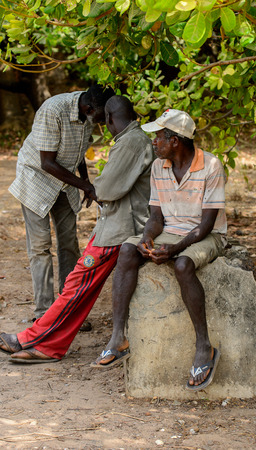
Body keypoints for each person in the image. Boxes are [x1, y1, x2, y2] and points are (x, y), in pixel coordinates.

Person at [0, 95, 154, 363]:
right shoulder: (131, 138)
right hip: (43, 187)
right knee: (67, 274)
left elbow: (105, 190)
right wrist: (88, 185)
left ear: (107, 119)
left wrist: (90, 185)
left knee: (76, 284)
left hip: (119, 230)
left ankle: (31, 339)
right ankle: (48, 341)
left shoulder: (130, 143)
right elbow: (49, 163)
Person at [93, 109, 227, 391]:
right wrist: (147, 238)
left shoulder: (211, 166)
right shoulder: (159, 167)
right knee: (128, 251)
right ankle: (118, 338)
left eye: (158, 137)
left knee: (182, 265)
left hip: (206, 235)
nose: (154, 143)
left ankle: (204, 347)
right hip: (171, 230)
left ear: (175, 140)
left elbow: (205, 226)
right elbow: (156, 218)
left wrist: (176, 248)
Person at [8, 85, 115, 320]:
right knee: (40, 248)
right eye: (101, 116)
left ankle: (68, 308)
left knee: (68, 243)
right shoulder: (53, 110)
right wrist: (86, 187)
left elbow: (79, 152)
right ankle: (44, 314)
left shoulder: (88, 114)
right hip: (36, 178)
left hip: (65, 182)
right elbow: (47, 162)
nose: (103, 122)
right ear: (88, 109)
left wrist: (85, 180)